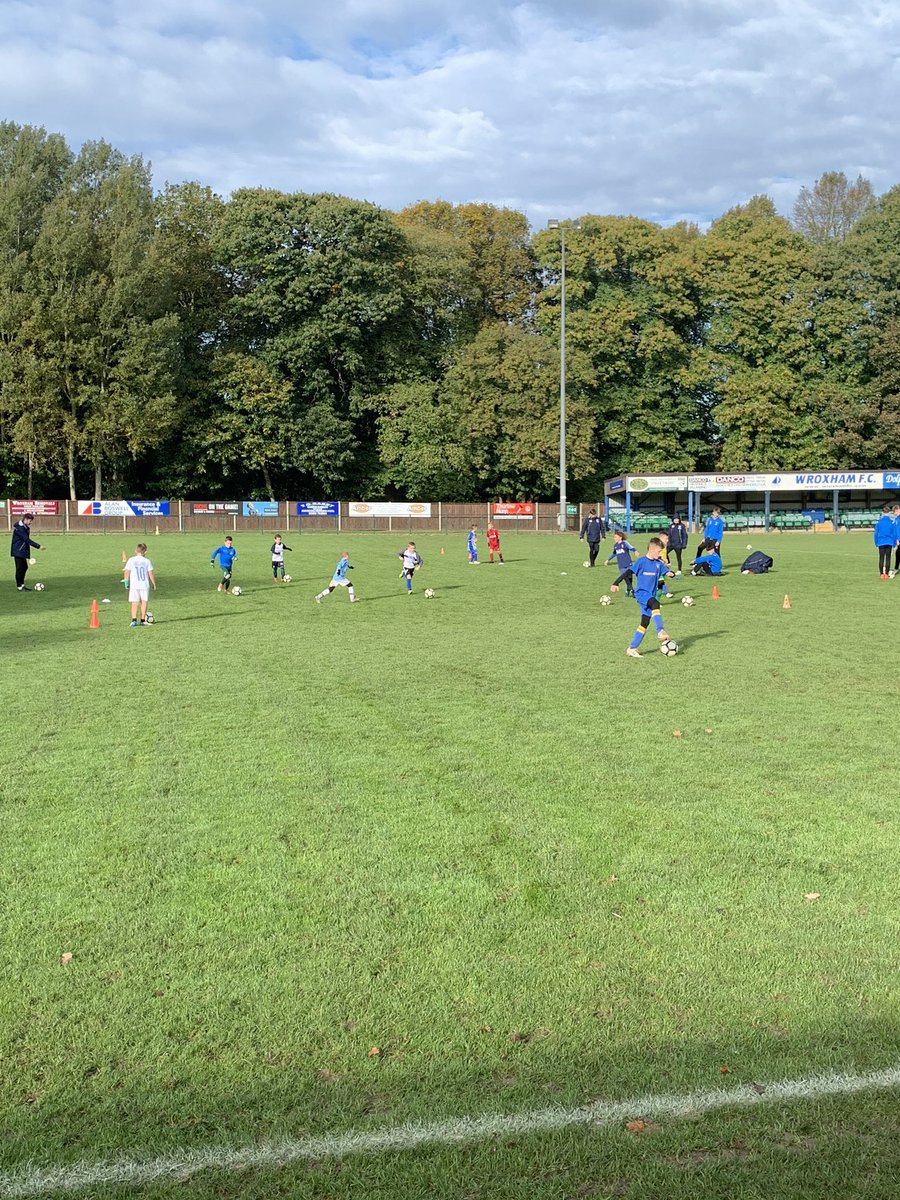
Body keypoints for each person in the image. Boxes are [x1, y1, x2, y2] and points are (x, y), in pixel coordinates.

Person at [626, 538, 675, 658]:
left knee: (644, 623)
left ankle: (632, 648)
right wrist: (615, 583)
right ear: (652, 550)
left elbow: (667, 572)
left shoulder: (658, 564)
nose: (660, 554)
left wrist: (671, 573)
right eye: (659, 552)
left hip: (650, 595)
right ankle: (660, 631)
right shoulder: (641, 561)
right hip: (642, 594)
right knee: (655, 604)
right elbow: (627, 573)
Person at [124, 543, 156, 626]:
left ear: (135, 551)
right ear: (145, 552)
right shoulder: (147, 561)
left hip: (134, 585)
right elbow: (150, 573)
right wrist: (153, 583)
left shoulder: (131, 560)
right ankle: (142, 620)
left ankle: (134, 620)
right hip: (144, 584)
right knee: (144, 602)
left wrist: (126, 583)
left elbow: (127, 572)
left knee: (134, 602)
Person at [11, 512, 43, 591]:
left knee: (24, 567)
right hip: (18, 551)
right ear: (25, 519)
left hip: (22, 550)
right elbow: (26, 540)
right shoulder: (19, 528)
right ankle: (19, 586)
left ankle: (22, 585)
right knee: (19, 569)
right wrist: (38, 546)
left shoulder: (25, 527)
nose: (31, 523)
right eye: (30, 521)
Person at [606, 531, 637, 596]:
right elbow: (614, 554)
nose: (614, 538)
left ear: (620, 537)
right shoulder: (615, 546)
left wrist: (635, 551)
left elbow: (631, 547)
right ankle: (632, 590)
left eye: (616, 537)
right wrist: (608, 560)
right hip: (621, 565)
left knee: (629, 578)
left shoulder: (625, 543)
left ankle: (628, 590)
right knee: (625, 577)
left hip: (628, 563)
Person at [874, 506, 895, 579]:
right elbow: (894, 534)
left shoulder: (879, 523)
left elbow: (876, 534)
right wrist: (894, 543)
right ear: (889, 513)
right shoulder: (892, 522)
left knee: (881, 558)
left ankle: (881, 574)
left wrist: (876, 542)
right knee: (888, 558)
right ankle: (886, 574)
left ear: (882, 512)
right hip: (889, 542)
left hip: (881, 542)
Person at [893, 504, 900, 573]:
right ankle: (896, 568)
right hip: (898, 539)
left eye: (895, 512)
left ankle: (896, 568)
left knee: (898, 553)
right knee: (898, 553)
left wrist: (898, 539)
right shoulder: (897, 519)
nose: (895, 514)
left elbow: (898, 530)